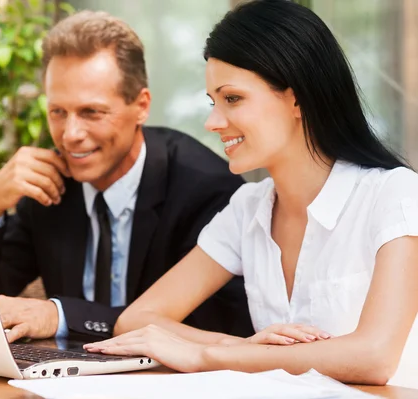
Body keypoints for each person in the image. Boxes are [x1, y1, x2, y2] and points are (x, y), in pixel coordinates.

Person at [84, 0, 418, 386]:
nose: (213, 121)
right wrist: (241, 348)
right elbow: (138, 319)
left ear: (297, 98)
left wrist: (206, 355)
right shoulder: (248, 208)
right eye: (213, 102)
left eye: (232, 99)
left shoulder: (394, 195)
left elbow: (374, 356)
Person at [0, 10, 253, 343]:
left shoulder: (206, 188)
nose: (70, 134)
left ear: (141, 106)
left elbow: (213, 327)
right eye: (58, 112)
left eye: (91, 112)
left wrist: (60, 316)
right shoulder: (50, 183)